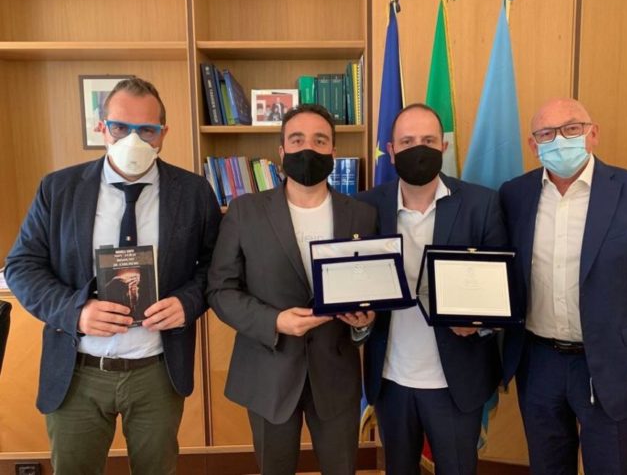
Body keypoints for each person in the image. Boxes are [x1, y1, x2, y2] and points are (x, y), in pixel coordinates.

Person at [5, 77, 222, 475]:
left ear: (163, 134)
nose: (133, 139)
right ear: (101, 127)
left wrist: (188, 302)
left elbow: (216, 268)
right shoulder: (58, 189)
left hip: (157, 370)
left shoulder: (194, 193)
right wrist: (76, 312)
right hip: (77, 369)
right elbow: (22, 266)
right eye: (121, 127)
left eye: (147, 130)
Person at [500, 98, 627, 475]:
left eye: (571, 129)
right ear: (533, 145)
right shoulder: (514, 196)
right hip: (539, 363)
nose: (560, 140)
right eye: (547, 134)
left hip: (615, 365)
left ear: (593, 134)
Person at [206, 103, 377, 475]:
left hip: (336, 377)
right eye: (297, 140)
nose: (308, 149)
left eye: (320, 140)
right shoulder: (244, 212)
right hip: (268, 373)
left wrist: (363, 323)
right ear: (281, 152)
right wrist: (275, 321)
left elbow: (370, 289)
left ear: (333, 151)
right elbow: (220, 290)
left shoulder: (362, 215)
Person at [356, 103, 507, 475]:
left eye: (428, 140)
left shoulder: (482, 204)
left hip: (456, 380)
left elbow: (504, 286)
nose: (418, 149)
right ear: (391, 150)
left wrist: (480, 324)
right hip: (391, 379)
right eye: (407, 141)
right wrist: (359, 319)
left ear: (444, 146)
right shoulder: (366, 206)